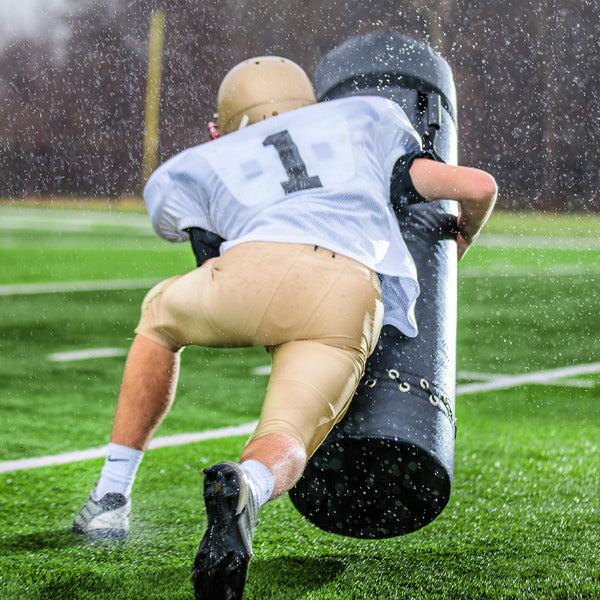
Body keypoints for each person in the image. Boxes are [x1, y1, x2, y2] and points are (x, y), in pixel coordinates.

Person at [72, 56, 497, 599]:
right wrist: (460, 239)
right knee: (287, 436)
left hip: (251, 272)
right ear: (312, 105)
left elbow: (199, 242)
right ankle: (248, 485)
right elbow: (478, 186)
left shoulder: (208, 156)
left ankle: (111, 498)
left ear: (223, 123)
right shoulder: (363, 120)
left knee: (160, 317)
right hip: (346, 291)